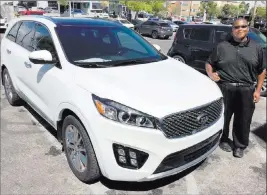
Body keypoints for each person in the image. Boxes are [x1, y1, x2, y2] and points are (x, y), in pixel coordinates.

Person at [205, 18, 266, 158]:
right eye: (236, 27)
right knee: (223, 117)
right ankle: (223, 139)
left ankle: (239, 146)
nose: (240, 29)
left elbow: (261, 71)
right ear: (232, 29)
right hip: (225, 87)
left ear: (248, 28)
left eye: (243, 26)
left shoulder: (256, 48)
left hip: (246, 89)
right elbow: (209, 63)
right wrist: (210, 73)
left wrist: (257, 90)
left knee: (244, 120)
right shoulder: (222, 46)